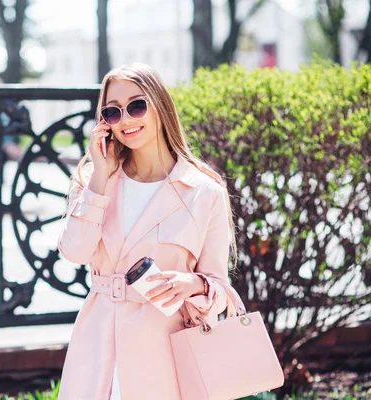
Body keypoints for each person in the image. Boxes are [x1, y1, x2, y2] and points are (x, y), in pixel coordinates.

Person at [57, 63, 237, 399]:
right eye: (112, 112)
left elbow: (219, 290)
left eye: (137, 106)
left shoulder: (202, 191)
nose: (125, 120)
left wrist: (191, 284)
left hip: (164, 348)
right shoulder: (94, 181)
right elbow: (75, 252)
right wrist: (99, 178)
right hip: (98, 345)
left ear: (160, 106)